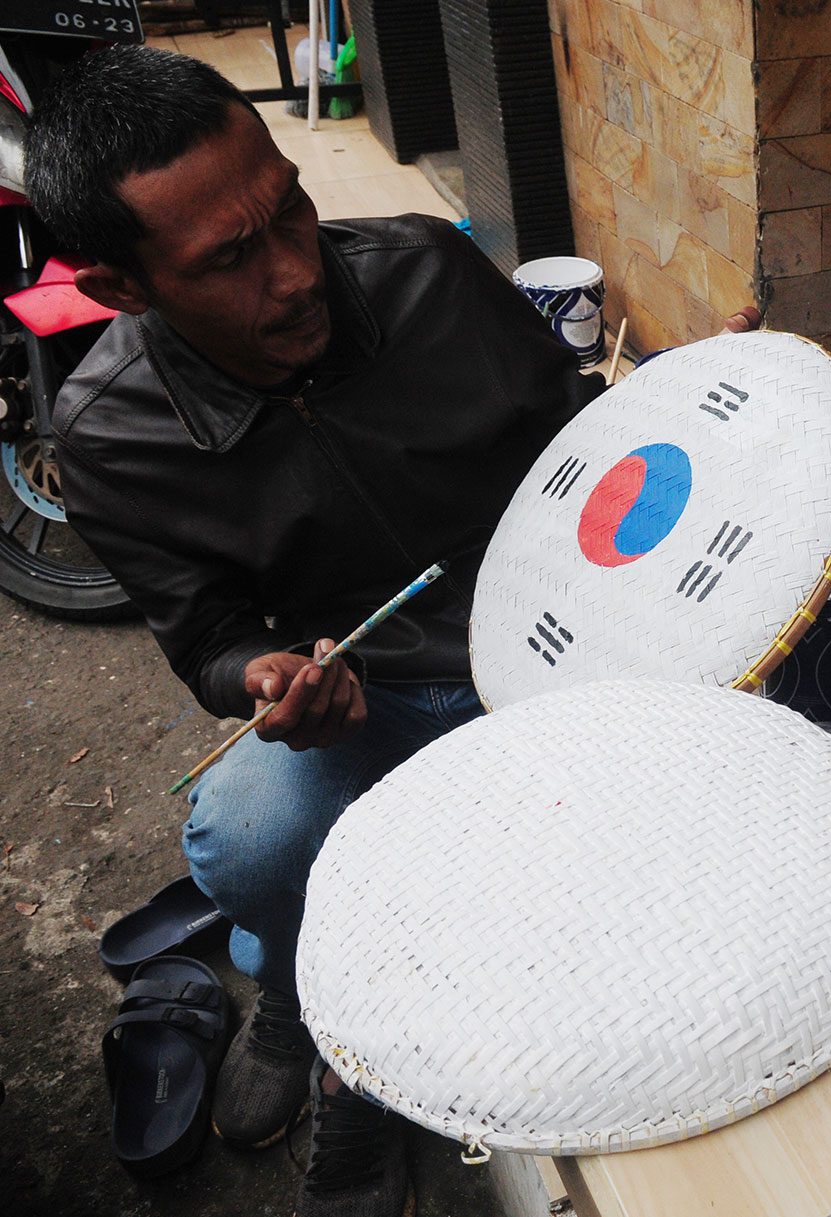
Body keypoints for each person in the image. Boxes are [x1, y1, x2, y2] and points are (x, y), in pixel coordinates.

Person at [27, 44, 680, 1216]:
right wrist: (262, 675)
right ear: (123, 288)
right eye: (230, 258)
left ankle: (344, 1012)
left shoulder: (427, 269)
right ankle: (316, 1000)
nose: (294, 278)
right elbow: (206, 634)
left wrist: (683, 426)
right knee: (250, 842)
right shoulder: (110, 437)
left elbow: (581, 447)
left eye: (291, 212)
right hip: (363, 691)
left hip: (552, 642)